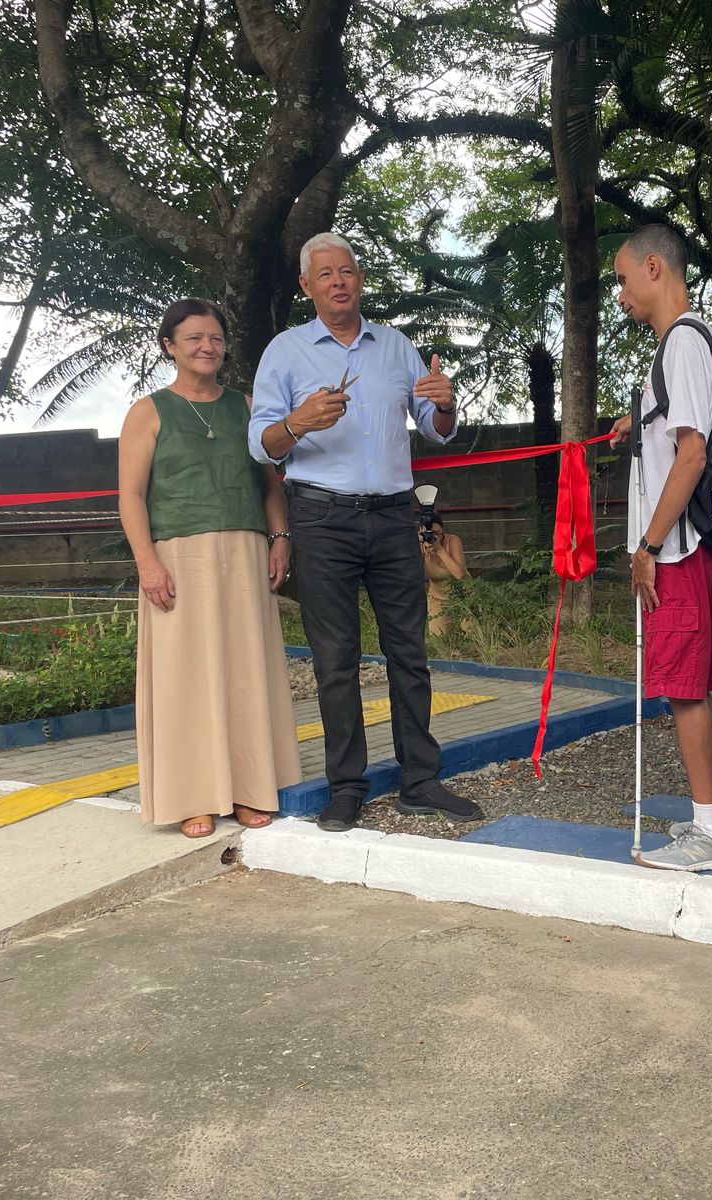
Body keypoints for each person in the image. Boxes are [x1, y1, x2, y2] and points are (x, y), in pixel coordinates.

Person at [249, 232, 484, 832]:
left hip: (390, 515)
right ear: (307, 286)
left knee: (409, 650)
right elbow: (260, 441)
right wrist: (296, 423)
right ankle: (347, 785)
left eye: (347, 270)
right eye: (325, 273)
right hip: (322, 518)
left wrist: (446, 403)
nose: (338, 281)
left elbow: (435, 428)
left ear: (360, 279)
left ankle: (420, 779)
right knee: (336, 659)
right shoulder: (286, 351)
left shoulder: (396, 346)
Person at [118, 298, 301, 838]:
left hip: (245, 556)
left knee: (246, 672)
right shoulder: (148, 411)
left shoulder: (247, 406)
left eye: (215, 338)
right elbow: (130, 495)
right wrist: (147, 562)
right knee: (185, 676)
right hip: (178, 559)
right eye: (194, 338)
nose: (207, 347)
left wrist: (280, 539)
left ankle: (248, 788)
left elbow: (270, 484)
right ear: (170, 346)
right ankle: (191, 795)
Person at [606, 225, 712, 872]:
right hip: (703, 539)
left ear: (654, 268)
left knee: (684, 687)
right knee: (698, 686)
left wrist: (647, 544)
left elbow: (692, 452)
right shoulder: (703, 341)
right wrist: (637, 423)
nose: (619, 294)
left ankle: (706, 835)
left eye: (622, 279)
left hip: (679, 546)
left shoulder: (681, 344)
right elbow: (682, 429)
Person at [419, 513, 470, 637]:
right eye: (430, 534)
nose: (434, 537)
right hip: (438, 598)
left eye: (437, 533)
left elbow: (459, 573)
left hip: (464, 593)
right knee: (438, 639)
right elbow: (412, 574)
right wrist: (418, 546)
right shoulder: (420, 545)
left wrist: (439, 550)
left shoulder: (452, 541)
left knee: (471, 636)